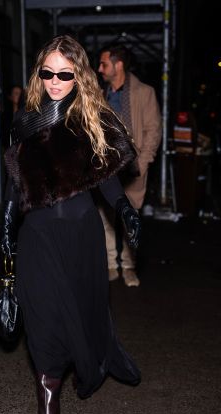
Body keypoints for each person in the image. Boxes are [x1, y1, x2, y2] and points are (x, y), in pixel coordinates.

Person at [2, 35, 141, 414]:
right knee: (43, 321)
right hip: (38, 237)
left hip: (81, 234)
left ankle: (89, 361)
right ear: (38, 73)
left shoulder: (89, 116)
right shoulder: (26, 119)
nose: (56, 81)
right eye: (48, 73)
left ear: (78, 74)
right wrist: (7, 226)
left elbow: (107, 173)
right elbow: (17, 180)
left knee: (81, 314)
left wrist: (125, 209)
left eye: (65, 73)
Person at [98, 44, 162, 286]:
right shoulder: (99, 94)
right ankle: (110, 264)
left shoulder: (144, 92)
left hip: (131, 168)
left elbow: (153, 131)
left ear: (118, 64)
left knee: (129, 217)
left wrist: (143, 163)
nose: (100, 69)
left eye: (104, 63)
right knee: (104, 217)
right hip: (104, 167)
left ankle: (129, 266)